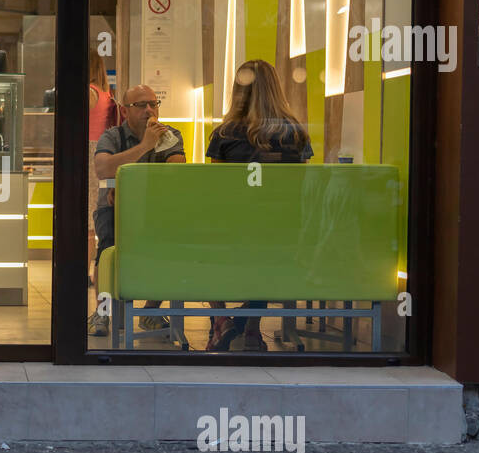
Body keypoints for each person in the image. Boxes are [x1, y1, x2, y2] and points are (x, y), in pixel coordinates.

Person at [203, 58, 313, 351]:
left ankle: (221, 321)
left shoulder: (225, 134)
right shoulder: (295, 133)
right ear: (276, 89)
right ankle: (251, 330)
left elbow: (215, 189)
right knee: (267, 260)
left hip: (231, 228)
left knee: (202, 248)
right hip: (281, 231)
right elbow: (299, 187)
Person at [86, 84, 186, 339]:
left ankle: (151, 312)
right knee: (108, 250)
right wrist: (145, 146)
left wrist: (129, 185)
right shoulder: (113, 136)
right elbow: (103, 168)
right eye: (140, 105)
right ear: (124, 110)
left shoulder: (169, 135)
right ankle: (103, 311)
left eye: (153, 104)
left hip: (155, 209)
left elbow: (176, 173)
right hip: (113, 207)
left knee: (171, 248)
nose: (149, 110)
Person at [87, 50, 117, 281]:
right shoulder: (106, 94)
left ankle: (86, 272)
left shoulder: (89, 92)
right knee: (95, 212)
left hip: (89, 152)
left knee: (88, 219)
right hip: (102, 151)